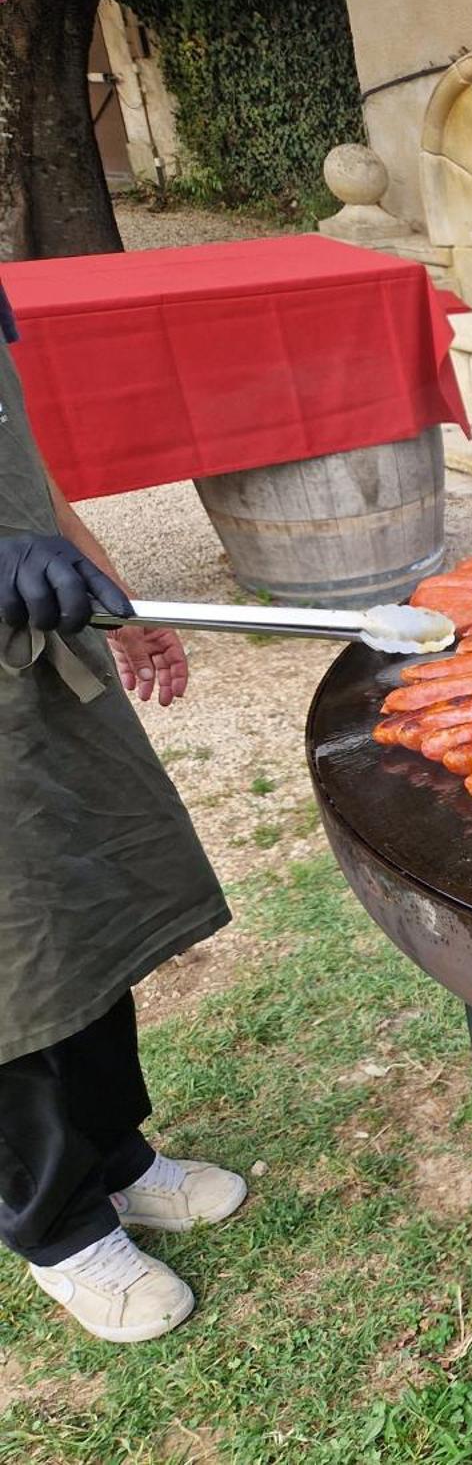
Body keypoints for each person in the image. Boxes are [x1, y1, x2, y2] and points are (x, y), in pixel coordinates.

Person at [0, 278, 245, 1342]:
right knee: (14, 962)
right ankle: (56, 1227)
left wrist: (100, 581)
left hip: (33, 657)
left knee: (92, 904)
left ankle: (116, 1154)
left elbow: (20, 463)